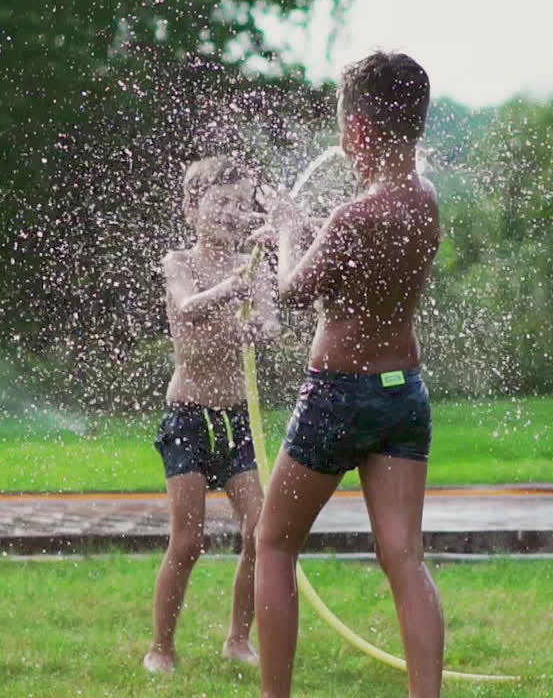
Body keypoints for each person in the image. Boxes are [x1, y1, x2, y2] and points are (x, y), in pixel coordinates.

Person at [255, 52, 443, 698]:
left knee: (274, 543)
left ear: (359, 132)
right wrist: (305, 230)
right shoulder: (424, 203)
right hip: (404, 397)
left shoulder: (352, 218)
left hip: (339, 397)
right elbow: (358, 263)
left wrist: (284, 228)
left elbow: (291, 290)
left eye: (343, 131)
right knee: (405, 557)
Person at [143, 156, 278, 675]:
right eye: (219, 202)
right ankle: (161, 647)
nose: (230, 211)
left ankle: (238, 638)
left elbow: (269, 322)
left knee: (259, 532)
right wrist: (228, 291)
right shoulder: (179, 262)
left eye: (240, 204)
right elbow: (188, 306)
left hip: (238, 421)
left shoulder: (255, 264)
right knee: (189, 539)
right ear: (191, 208)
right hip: (189, 419)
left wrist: (261, 329)